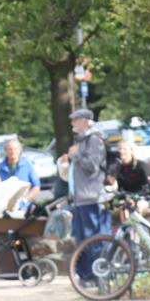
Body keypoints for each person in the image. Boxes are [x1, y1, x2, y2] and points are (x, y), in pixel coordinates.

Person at [58, 108, 109, 284]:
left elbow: (93, 165)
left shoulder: (94, 140)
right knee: (81, 239)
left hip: (91, 197)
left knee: (93, 239)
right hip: (80, 198)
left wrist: (75, 155)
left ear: (86, 121)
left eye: (76, 120)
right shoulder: (82, 140)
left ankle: (100, 275)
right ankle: (87, 276)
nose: (72, 123)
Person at [107, 140, 150, 216]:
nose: (122, 151)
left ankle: (137, 227)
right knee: (123, 207)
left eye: (125, 149)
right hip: (126, 197)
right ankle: (127, 227)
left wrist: (137, 198)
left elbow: (148, 188)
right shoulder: (116, 167)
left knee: (137, 207)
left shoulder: (141, 166)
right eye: (119, 149)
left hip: (142, 197)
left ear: (131, 151)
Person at [0, 139, 41, 210]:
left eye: (15, 149)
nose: (13, 152)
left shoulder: (27, 165)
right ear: (6, 151)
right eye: (10, 149)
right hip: (5, 206)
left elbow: (36, 187)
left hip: (24, 207)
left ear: (20, 150)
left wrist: (24, 200)